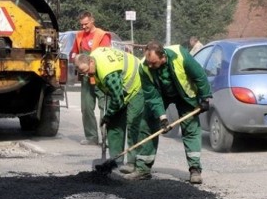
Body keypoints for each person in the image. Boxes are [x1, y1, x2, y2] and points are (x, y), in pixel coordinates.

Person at [125, 40, 212, 184]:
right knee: (146, 125)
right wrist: (162, 118)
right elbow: (152, 95)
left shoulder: (181, 55)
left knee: (191, 129)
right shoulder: (144, 67)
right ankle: (143, 169)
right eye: (149, 62)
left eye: (154, 63)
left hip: (185, 95)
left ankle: (195, 170)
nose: (150, 66)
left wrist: (205, 97)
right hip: (161, 94)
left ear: (163, 57)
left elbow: (199, 76)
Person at [74, 47, 143, 172]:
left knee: (133, 124)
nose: (87, 74)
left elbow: (117, 100)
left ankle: (133, 163)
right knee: (114, 125)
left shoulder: (107, 72)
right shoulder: (94, 58)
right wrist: (110, 116)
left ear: (91, 62)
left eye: (86, 70)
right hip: (120, 84)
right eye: (82, 73)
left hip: (137, 83)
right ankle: (115, 161)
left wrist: (108, 115)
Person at [70, 11, 112, 146]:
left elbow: (105, 55)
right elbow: (74, 52)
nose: (83, 27)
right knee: (86, 107)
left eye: (86, 24)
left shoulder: (102, 35)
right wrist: (74, 57)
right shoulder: (79, 36)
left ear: (92, 21)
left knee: (104, 107)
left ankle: (107, 138)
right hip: (86, 78)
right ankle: (91, 137)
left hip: (100, 77)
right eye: (81, 24)